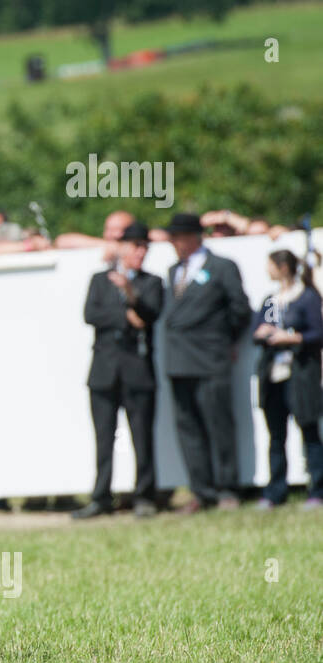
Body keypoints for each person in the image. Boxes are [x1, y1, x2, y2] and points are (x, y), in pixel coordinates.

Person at [162, 212, 253, 513]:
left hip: (210, 359)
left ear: (193, 237)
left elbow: (240, 309)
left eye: (178, 237)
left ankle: (227, 487)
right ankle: (201, 490)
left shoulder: (222, 267)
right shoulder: (174, 270)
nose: (174, 244)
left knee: (219, 424)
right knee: (189, 428)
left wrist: (224, 341)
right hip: (179, 360)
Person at [75, 221, 163, 519]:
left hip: (138, 371)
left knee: (142, 437)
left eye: (144, 247)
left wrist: (131, 295)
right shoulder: (100, 279)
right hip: (104, 370)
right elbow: (91, 314)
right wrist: (127, 314)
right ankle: (101, 497)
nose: (140, 252)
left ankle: (145, 496)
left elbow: (151, 314)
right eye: (135, 246)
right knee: (103, 438)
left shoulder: (151, 283)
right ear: (122, 248)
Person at [251, 250, 323, 508]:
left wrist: (290, 337)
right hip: (274, 375)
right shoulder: (271, 300)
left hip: (301, 373)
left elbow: (317, 333)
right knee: (276, 435)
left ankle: (316, 489)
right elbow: (255, 331)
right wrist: (264, 332)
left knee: (309, 431)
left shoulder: (306, 297)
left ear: (282, 267)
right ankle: (275, 491)